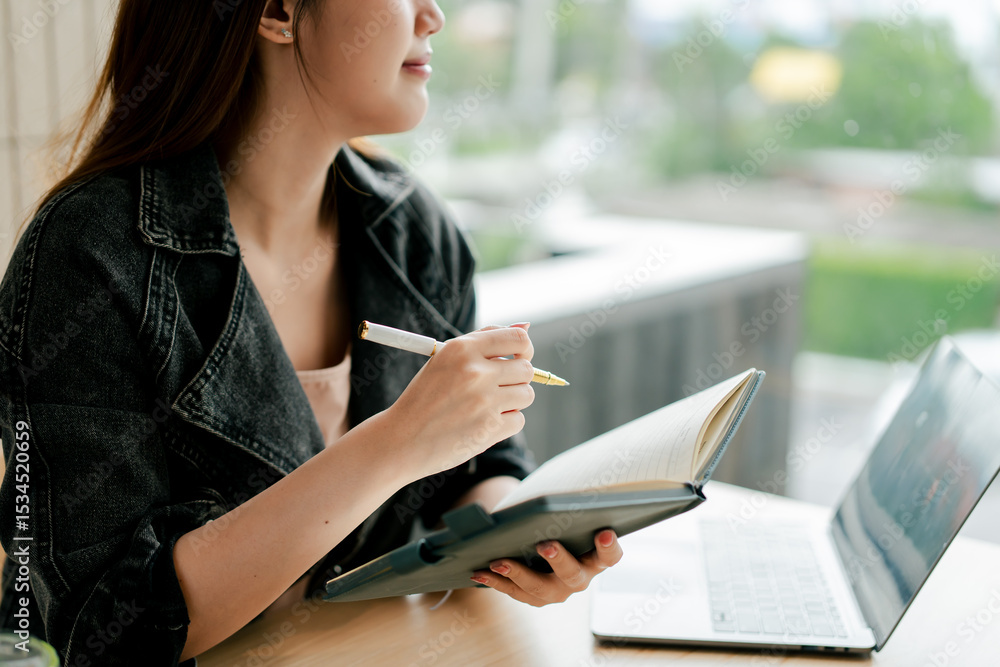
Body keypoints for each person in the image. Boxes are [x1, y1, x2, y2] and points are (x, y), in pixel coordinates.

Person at [0, 1, 623, 664]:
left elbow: (477, 470)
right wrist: (395, 442)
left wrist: (519, 532)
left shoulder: (414, 232)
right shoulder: (90, 256)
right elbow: (107, 630)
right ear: (277, 11)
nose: (433, 15)